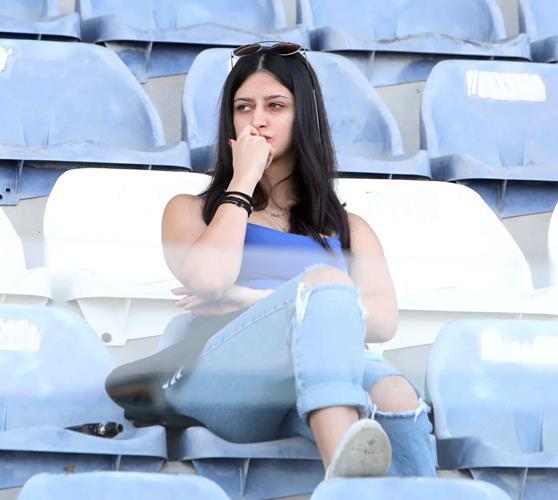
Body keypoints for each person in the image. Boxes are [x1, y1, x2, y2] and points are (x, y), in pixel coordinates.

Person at [107, 42, 436, 479]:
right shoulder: (190, 211)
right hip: (226, 383)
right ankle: (345, 483)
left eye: (275, 106)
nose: (257, 120)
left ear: (304, 118)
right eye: (243, 107)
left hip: (307, 384)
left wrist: (253, 298)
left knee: (395, 392)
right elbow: (209, 278)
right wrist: (243, 179)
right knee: (325, 282)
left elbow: (383, 322)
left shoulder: (349, 228)